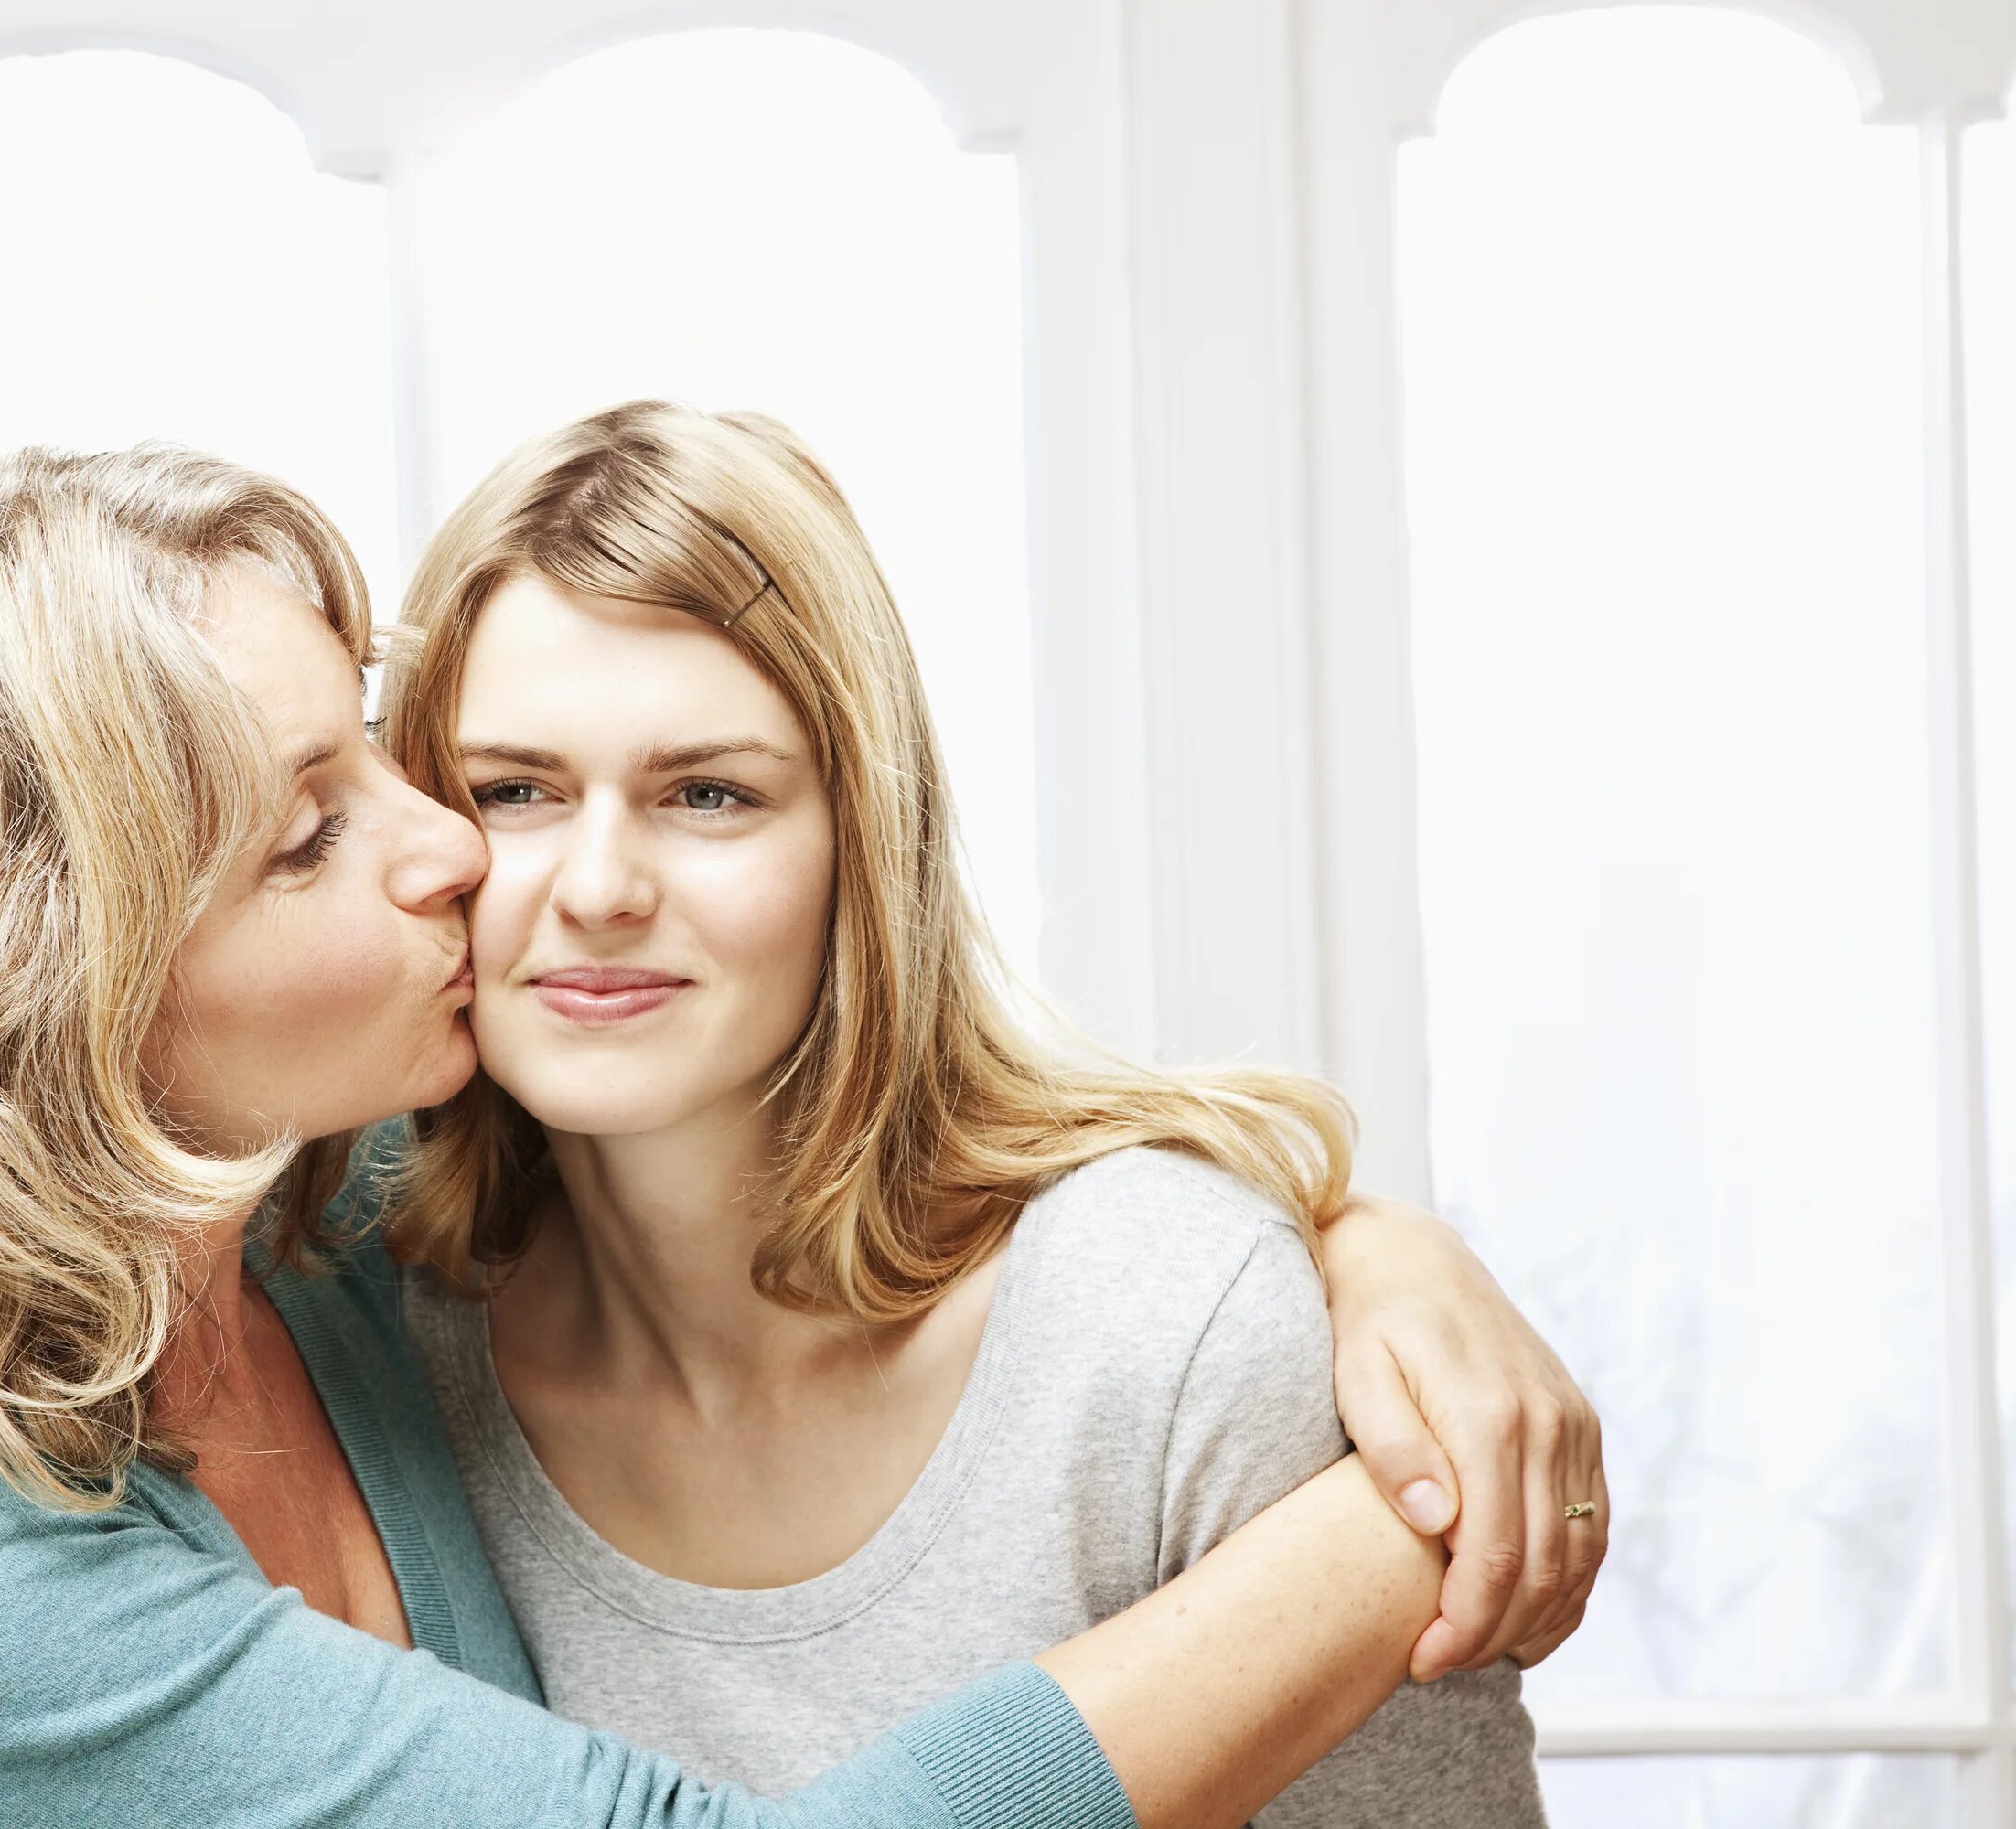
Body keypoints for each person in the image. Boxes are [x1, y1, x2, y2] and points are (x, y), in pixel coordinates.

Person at [0, 444, 1590, 1829]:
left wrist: (1369, 1248)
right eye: (319, 824)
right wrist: (1392, 1532)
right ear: (46, 994)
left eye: (387, 739)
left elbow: (921, 1137)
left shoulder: (310, 1224)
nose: (468, 854)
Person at [380, 402, 1597, 1820]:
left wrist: (1358, 1246)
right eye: (513, 790)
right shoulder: (368, 1335)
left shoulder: (1174, 1339)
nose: (597, 889)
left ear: (865, 843)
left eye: (708, 794)